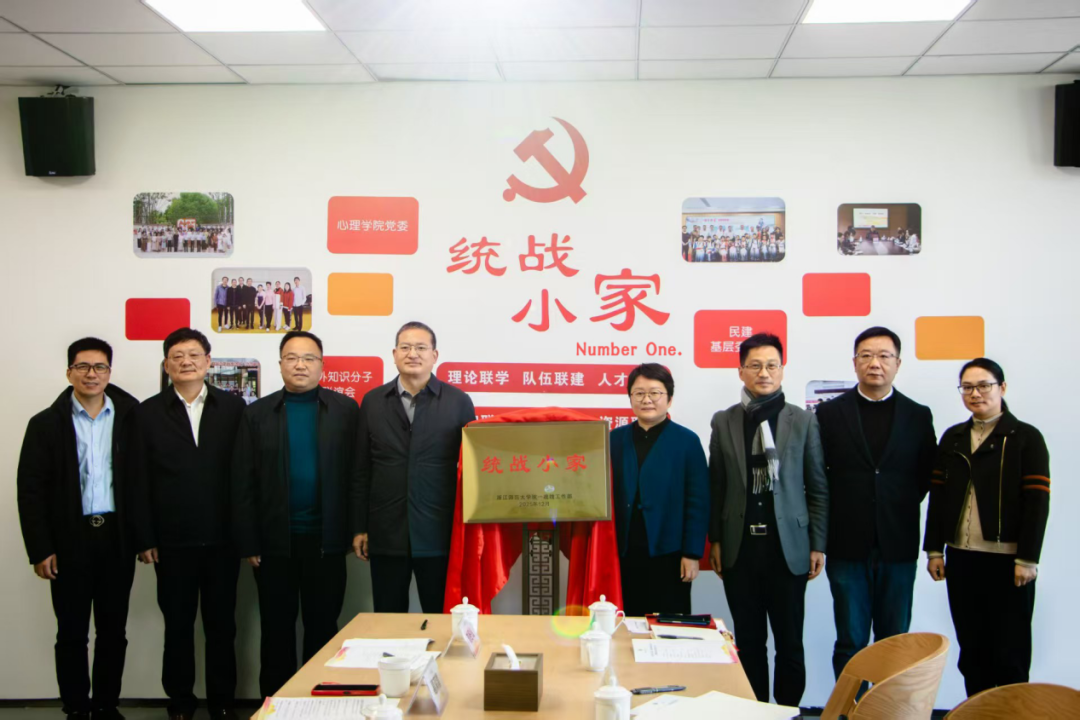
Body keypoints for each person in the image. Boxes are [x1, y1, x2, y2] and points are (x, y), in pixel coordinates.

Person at [232, 331, 360, 699]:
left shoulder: (345, 410)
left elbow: (357, 475)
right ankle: (276, 705)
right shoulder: (257, 413)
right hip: (274, 544)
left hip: (327, 542)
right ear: (280, 364)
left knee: (323, 628)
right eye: (291, 358)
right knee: (276, 630)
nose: (300, 365)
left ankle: (317, 703)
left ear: (322, 365)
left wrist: (356, 530)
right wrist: (249, 541)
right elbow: (242, 480)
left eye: (308, 358)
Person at [17, 338, 139, 720]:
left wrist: (145, 537)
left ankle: (105, 705)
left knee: (113, 631)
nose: (91, 374)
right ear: (69, 372)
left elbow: (145, 482)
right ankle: (75, 708)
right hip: (70, 539)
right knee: (71, 632)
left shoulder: (131, 418)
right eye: (83, 366)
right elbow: (30, 490)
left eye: (99, 367)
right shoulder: (45, 424)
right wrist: (40, 548)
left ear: (109, 373)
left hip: (116, 538)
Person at [127, 328, 245, 720]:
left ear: (209, 362)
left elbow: (244, 475)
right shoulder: (146, 413)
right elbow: (136, 479)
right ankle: (180, 703)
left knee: (222, 627)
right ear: (166, 365)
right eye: (177, 356)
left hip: (223, 541)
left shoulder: (234, 408)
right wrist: (144, 536)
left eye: (194, 355)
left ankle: (222, 703)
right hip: (171, 543)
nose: (186, 362)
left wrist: (245, 535)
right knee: (177, 627)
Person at [708, 333, 828, 707]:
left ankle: (788, 711)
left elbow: (817, 487)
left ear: (782, 370)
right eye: (755, 365)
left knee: (790, 643)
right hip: (740, 548)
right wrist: (716, 540)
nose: (764, 373)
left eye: (771, 365)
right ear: (741, 371)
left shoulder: (802, 420)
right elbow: (717, 486)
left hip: (787, 548)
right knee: (748, 641)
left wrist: (817, 544)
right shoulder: (724, 420)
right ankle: (755, 710)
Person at [814, 327, 937, 678]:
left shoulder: (918, 415)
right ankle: (852, 706)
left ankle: (887, 706)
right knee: (850, 641)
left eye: (884, 356)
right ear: (854, 363)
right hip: (846, 544)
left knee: (894, 640)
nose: (875, 363)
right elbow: (819, 476)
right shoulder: (829, 414)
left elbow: (926, 474)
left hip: (898, 545)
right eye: (866, 356)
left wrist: (892, 504)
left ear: (898, 363)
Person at [924, 358, 1049, 697]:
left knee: (1011, 651)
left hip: (1008, 562)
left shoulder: (1025, 438)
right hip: (962, 558)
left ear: (1002, 388)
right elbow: (938, 498)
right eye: (967, 387)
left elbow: (1037, 504)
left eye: (983, 386)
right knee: (973, 650)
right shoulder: (953, 438)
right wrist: (934, 550)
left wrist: (1027, 558)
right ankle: (978, 711)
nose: (975, 393)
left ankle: (1010, 714)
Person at [353, 321, 475, 613]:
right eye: (405, 347)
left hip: (439, 532)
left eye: (421, 347)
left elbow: (471, 472)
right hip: (385, 531)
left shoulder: (458, 402)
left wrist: (467, 530)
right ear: (394, 354)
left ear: (435, 355)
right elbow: (360, 470)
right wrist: (359, 527)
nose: (413, 354)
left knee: (442, 617)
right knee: (389, 618)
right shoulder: (373, 401)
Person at [611, 364, 709, 616]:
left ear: (669, 398)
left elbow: (698, 502)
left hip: (670, 552)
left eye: (655, 393)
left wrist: (692, 553)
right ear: (630, 398)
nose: (647, 400)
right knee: (625, 622)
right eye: (639, 393)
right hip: (623, 551)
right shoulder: (614, 440)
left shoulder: (687, 441)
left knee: (668, 624)